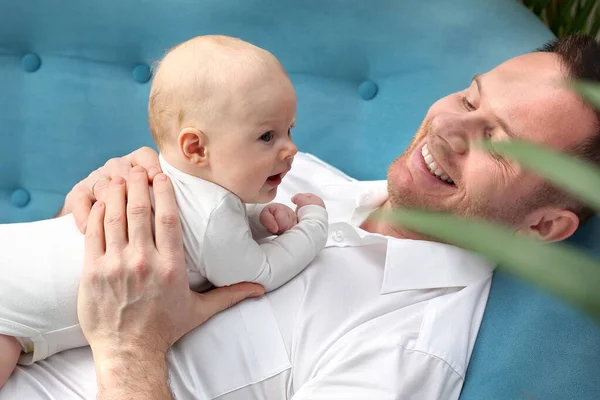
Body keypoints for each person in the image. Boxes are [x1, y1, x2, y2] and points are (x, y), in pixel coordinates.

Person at [2, 34, 599, 399]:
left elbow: (118, 327)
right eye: (470, 98)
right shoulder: (296, 172)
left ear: (543, 226)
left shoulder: (407, 349)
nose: (448, 127)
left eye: (498, 140)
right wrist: (105, 205)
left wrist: (129, 348)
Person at [0, 35, 328, 387]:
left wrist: (257, 224)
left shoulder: (169, 186)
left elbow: (207, 240)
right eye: (268, 136)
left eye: (290, 130)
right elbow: (260, 271)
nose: (290, 148)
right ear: (196, 147)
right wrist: (314, 226)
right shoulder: (214, 213)